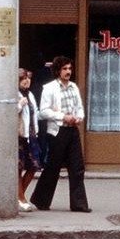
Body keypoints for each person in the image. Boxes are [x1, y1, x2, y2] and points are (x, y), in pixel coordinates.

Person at [29, 56, 91, 213]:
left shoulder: (74, 87)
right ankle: (41, 200)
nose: (68, 72)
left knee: (77, 167)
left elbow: (80, 107)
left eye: (70, 68)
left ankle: (79, 204)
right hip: (57, 132)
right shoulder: (49, 88)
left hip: (72, 131)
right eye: (64, 69)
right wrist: (63, 116)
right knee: (52, 168)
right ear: (58, 71)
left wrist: (79, 117)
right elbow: (43, 112)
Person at [17, 68, 42, 212]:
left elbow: (35, 113)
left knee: (34, 166)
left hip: (31, 135)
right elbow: (8, 112)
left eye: (28, 78)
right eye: (23, 79)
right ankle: (21, 198)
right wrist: (20, 104)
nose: (27, 81)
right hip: (19, 136)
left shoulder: (31, 94)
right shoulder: (15, 94)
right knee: (18, 168)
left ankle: (19, 196)